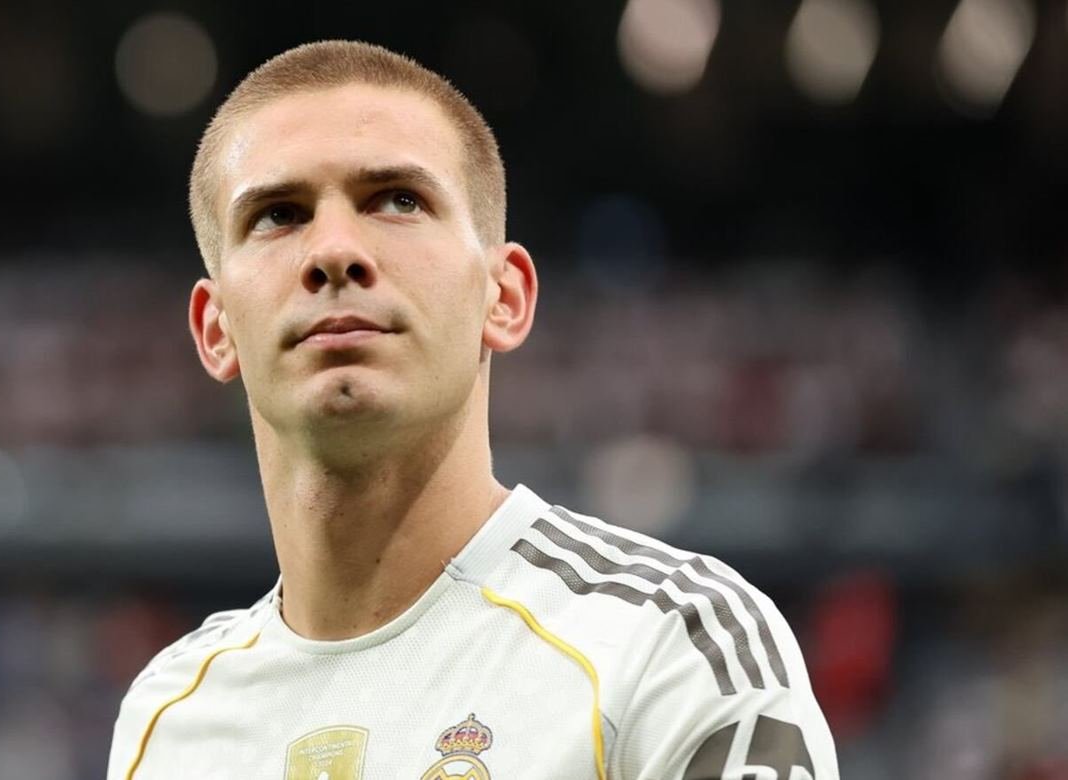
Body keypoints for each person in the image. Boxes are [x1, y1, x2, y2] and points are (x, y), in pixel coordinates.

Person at [108, 40, 838, 780]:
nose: (333, 250)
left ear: (505, 296)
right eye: (278, 214)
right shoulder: (166, 723)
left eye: (398, 200)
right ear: (216, 328)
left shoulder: (670, 647)